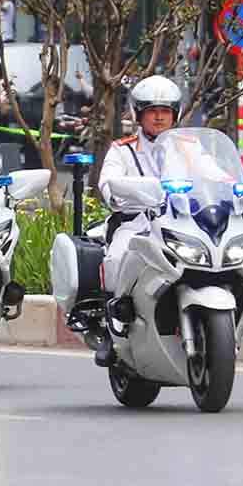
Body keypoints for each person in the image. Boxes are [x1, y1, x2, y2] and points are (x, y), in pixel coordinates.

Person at [94, 74, 182, 366]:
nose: (159, 117)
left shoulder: (189, 147)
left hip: (180, 222)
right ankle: (112, 329)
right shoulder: (123, 149)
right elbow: (108, 184)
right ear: (139, 114)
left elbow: (217, 175)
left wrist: (236, 187)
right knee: (118, 257)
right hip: (135, 223)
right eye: (152, 111)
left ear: (175, 114)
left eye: (165, 111)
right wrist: (119, 191)